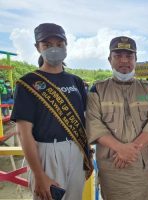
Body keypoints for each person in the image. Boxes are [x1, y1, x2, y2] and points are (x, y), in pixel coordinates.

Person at [11, 23, 93, 200]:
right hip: (47, 153)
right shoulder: (28, 83)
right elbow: (23, 133)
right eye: (47, 45)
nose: (54, 48)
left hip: (76, 149)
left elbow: (86, 119)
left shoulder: (76, 81)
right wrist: (39, 175)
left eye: (59, 44)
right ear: (37, 47)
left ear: (66, 45)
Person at [86, 36, 148, 200]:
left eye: (129, 56)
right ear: (109, 59)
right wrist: (120, 149)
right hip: (113, 166)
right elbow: (94, 125)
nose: (124, 61)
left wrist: (130, 149)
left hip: (142, 166)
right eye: (118, 55)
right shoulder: (97, 90)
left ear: (136, 59)